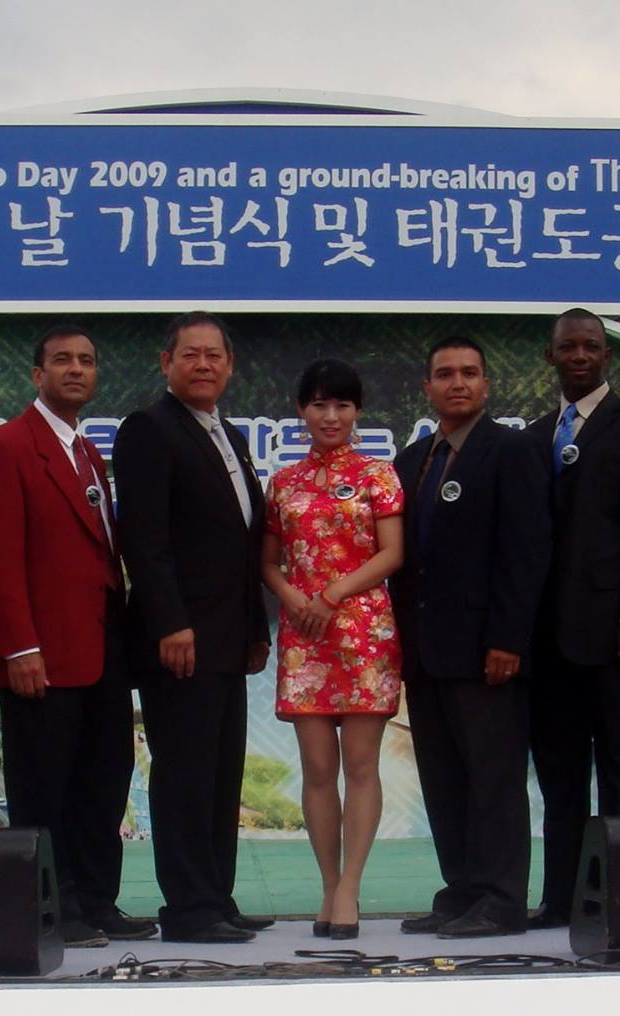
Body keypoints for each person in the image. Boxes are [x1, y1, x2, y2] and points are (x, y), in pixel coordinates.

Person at [0, 326, 147, 949]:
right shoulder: (6, 446)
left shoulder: (88, 452)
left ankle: (97, 900)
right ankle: (53, 905)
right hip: (41, 654)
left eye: (87, 361)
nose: (76, 370)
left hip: (100, 652)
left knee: (104, 780)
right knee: (46, 786)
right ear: (36, 374)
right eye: (62, 360)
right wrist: (18, 647)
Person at [113, 312, 271, 945]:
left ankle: (217, 896)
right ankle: (187, 908)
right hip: (179, 641)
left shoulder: (227, 433)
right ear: (166, 363)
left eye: (215, 355)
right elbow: (144, 541)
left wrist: (256, 628)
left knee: (220, 772)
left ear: (230, 366)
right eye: (191, 354)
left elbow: (243, 545)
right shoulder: (148, 430)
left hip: (229, 638)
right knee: (183, 774)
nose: (203, 364)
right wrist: (170, 624)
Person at [393, 335, 551, 938]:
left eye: (469, 373)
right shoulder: (413, 461)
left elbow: (526, 552)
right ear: (427, 388)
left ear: (487, 385)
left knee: (494, 780)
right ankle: (460, 889)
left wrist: (508, 639)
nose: (457, 383)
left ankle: (501, 897)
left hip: (489, 651)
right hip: (427, 653)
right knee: (444, 778)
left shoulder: (511, 451)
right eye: (444, 374)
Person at [526, 309, 620, 929]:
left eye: (591, 346)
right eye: (569, 347)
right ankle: (561, 899)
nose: (579, 356)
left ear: (608, 355)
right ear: (551, 356)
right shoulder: (535, 435)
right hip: (549, 640)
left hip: (618, 634)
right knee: (561, 781)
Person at [261, 359, 406, 940]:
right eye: (319, 405)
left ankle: (352, 889)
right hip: (305, 636)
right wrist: (296, 597)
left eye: (342, 405)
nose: (331, 416)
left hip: (365, 633)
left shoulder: (380, 475)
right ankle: (327, 884)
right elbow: (267, 562)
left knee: (362, 767)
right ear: (301, 411)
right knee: (318, 770)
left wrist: (333, 593)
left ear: (357, 412)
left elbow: (392, 553)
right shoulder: (284, 482)